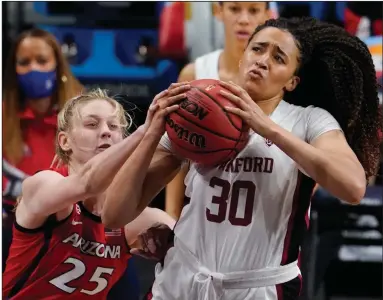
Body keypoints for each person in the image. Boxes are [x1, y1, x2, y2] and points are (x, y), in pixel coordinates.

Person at [102, 17, 382, 300]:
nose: (263, 60)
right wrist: (151, 134)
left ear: (292, 81)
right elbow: (114, 215)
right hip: (182, 277)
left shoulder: (308, 121)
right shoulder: (199, 109)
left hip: (258, 287)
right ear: (242, 57)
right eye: (257, 49)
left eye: (278, 57)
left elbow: (353, 187)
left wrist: (267, 127)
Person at [2, 88, 185, 299]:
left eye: (114, 126)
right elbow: (87, 182)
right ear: (64, 141)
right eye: (92, 124)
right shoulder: (42, 184)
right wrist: (146, 132)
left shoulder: (132, 219)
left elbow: (197, 254)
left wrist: (168, 242)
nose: (106, 131)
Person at [166, 1, 273, 220]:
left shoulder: (280, 80)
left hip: (261, 215)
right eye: (234, 9)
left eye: (253, 10)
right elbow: (174, 154)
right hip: (203, 212)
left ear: (267, 15)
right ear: (218, 10)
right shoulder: (194, 74)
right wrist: (171, 217)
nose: (243, 19)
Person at [2, 28, 83, 270]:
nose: (33, 69)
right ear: (13, 70)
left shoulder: (83, 113)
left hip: (74, 225)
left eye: (42, 60)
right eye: (24, 62)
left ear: (57, 65)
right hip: (15, 225)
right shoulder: (3, 115)